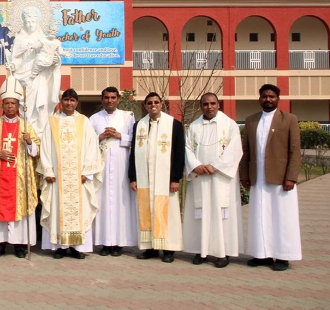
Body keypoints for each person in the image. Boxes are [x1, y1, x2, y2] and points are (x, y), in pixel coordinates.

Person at [0, 76, 41, 258]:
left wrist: (29, 142)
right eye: (7, 103)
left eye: (13, 103)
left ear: (18, 104)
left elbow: (36, 152)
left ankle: (20, 246)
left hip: (20, 178)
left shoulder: (26, 126)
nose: (10, 106)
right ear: (2, 105)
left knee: (21, 210)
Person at [240, 84, 302, 271]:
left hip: (281, 179)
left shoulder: (289, 119)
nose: (268, 99)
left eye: (271, 96)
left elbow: (294, 150)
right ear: (259, 98)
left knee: (282, 218)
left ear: (278, 99)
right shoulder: (251, 120)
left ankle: (283, 256)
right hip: (258, 178)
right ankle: (262, 254)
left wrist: (290, 177)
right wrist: (244, 175)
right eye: (264, 96)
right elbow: (246, 150)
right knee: (260, 216)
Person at [38, 89, 103, 259]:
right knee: (57, 209)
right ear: (62, 101)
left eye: (72, 100)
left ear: (77, 102)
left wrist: (87, 171)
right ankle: (60, 246)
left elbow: (92, 146)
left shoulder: (84, 121)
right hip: (57, 177)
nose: (69, 103)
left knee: (80, 210)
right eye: (66, 100)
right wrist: (47, 170)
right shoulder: (52, 121)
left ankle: (76, 247)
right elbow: (45, 147)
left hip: (78, 177)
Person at [183, 93, 244, 268]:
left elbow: (235, 150)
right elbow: (187, 149)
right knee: (200, 214)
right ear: (201, 106)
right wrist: (196, 165)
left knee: (221, 215)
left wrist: (215, 166)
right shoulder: (194, 127)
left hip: (220, 178)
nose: (209, 107)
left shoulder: (229, 125)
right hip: (200, 177)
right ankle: (200, 250)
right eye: (205, 104)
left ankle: (222, 253)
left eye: (213, 103)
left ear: (219, 105)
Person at [129, 92, 185, 263]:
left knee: (169, 214)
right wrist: (133, 177)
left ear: (162, 104)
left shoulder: (173, 124)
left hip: (165, 180)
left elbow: (179, 153)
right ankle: (150, 248)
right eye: (149, 103)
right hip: (145, 178)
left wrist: (175, 178)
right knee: (146, 212)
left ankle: (169, 249)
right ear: (145, 105)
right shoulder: (139, 125)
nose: (153, 105)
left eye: (156, 102)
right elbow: (133, 153)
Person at [90, 87, 137, 257]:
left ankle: (118, 243)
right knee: (102, 203)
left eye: (113, 97)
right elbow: (86, 142)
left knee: (120, 203)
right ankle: (103, 242)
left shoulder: (128, 117)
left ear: (118, 99)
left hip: (121, 168)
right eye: (106, 98)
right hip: (100, 168)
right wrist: (100, 137)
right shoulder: (94, 119)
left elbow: (136, 139)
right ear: (102, 99)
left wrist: (119, 135)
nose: (110, 100)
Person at [7, 6, 61, 135]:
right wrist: (13, 66)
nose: (30, 25)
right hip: (23, 74)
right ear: (23, 23)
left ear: (38, 22)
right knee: (26, 104)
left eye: (33, 22)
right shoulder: (19, 39)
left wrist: (55, 61)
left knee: (42, 103)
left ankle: (41, 132)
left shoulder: (44, 39)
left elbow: (51, 56)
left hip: (40, 74)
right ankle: (28, 130)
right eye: (28, 22)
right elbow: (17, 58)